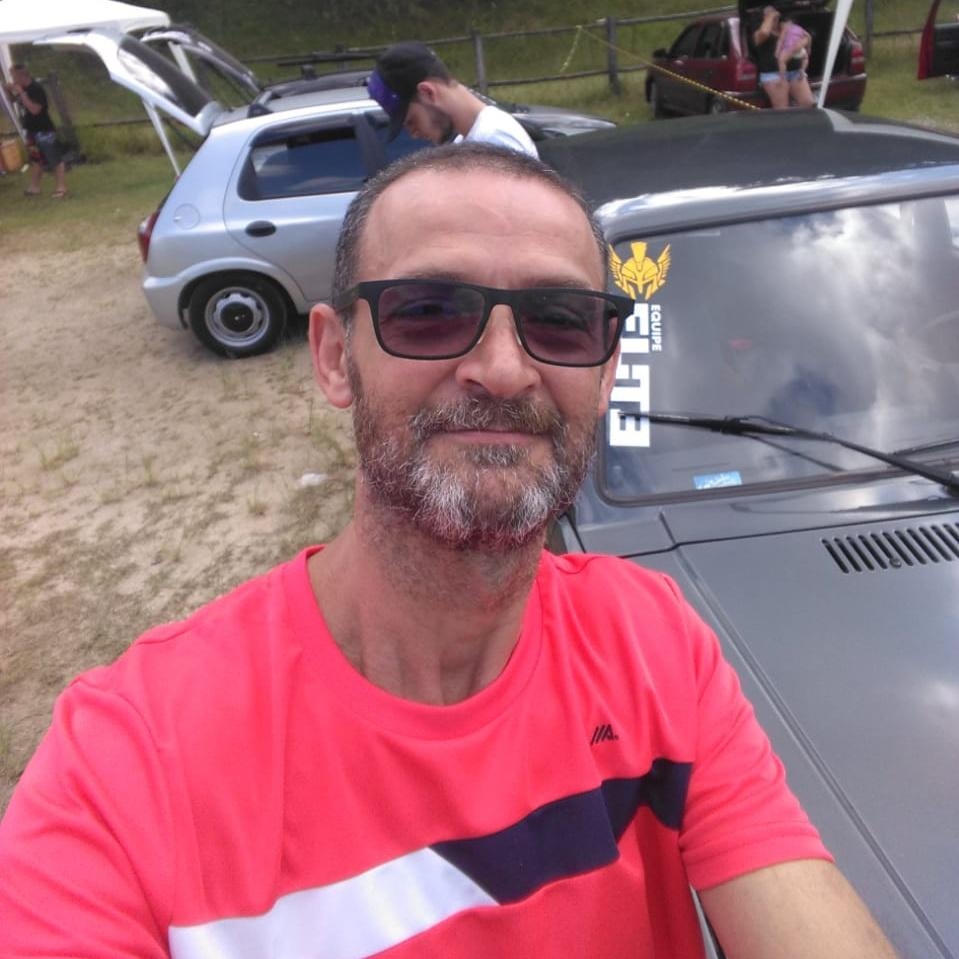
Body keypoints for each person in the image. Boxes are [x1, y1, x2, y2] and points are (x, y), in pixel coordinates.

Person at [0, 144, 899, 958]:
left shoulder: (653, 643)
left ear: (605, 368)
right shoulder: (125, 768)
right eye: (428, 312)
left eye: (559, 320)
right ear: (333, 356)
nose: (502, 369)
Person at [367, 40, 538, 157]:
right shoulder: (469, 141)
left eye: (411, 121)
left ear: (428, 93)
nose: (413, 134)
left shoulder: (495, 140)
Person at [5, 63, 68, 198]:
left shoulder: (36, 89)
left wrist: (22, 93)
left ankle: (61, 187)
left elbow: (35, 110)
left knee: (54, 158)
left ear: (22, 76)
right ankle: (34, 187)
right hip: (31, 130)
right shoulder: (23, 89)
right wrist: (9, 91)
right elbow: (13, 100)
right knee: (36, 160)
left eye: (13, 76)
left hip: (44, 131)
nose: (13, 79)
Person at [753, 6, 815, 109]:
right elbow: (764, 32)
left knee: (808, 104)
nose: (775, 18)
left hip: (795, 72)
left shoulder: (785, 29)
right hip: (773, 75)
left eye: (776, 16)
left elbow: (806, 37)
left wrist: (801, 44)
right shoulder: (758, 34)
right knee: (782, 109)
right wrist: (771, 15)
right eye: (770, 16)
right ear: (764, 18)